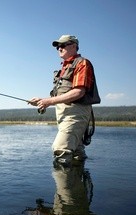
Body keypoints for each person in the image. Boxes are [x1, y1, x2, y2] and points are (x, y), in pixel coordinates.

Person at [29, 35, 100, 165]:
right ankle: (78, 182)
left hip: (76, 113)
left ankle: (64, 185)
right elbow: (61, 94)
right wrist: (43, 101)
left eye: (62, 45)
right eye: (57, 47)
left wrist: (48, 101)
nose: (59, 48)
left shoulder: (82, 63)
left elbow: (79, 92)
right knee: (77, 151)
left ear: (73, 46)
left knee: (60, 149)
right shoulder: (64, 67)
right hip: (63, 115)